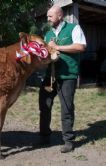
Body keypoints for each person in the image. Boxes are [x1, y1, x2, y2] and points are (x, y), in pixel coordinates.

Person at [39, 5, 86, 153]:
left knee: (66, 109)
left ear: (60, 16)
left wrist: (58, 47)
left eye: (50, 16)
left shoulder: (74, 28)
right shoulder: (47, 34)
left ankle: (68, 141)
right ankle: (44, 137)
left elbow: (80, 47)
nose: (47, 19)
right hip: (49, 76)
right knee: (44, 106)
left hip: (67, 76)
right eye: (47, 16)